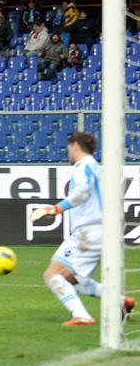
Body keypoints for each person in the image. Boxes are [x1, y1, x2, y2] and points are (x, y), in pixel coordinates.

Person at [29, 132, 136, 326]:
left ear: (75, 145)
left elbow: (82, 192)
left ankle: (82, 316)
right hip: (103, 230)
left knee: (52, 275)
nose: (68, 152)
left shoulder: (82, 167)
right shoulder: (98, 169)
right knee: (72, 279)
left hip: (89, 232)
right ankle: (120, 301)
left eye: (69, 147)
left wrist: (56, 208)